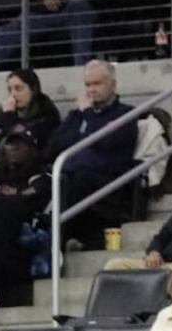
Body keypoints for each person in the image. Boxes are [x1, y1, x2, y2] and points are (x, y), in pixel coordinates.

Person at [44, 60, 136, 251]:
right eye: (88, 85)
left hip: (105, 181)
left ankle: (52, 245)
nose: (91, 90)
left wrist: (88, 113)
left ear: (112, 85)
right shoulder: (76, 116)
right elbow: (53, 146)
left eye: (97, 84)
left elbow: (106, 141)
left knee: (77, 180)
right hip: (70, 177)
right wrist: (84, 116)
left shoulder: (125, 114)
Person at [0, 125, 49, 309]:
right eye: (10, 144)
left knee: (1, 217)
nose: (14, 149)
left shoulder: (41, 175)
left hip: (24, 243)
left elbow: (25, 204)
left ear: (32, 149)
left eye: (21, 145)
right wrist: (7, 200)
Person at [0, 67, 61, 151]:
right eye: (10, 90)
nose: (13, 94)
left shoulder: (47, 114)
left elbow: (25, 141)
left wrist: (9, 117)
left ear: (33, 90)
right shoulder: (4, 112)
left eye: (19, 89)